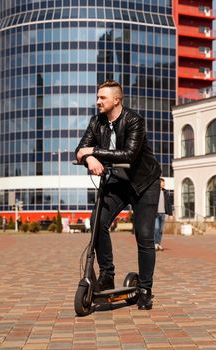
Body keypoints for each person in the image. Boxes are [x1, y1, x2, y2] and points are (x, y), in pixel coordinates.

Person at [75, 80, 161, 310]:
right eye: (97, 97)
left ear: (116, 100)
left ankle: (145, 289)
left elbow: (130, 154)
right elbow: (80, 150)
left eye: (102, 98)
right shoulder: (96, 122)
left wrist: (93, 151)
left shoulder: (134, 121)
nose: (97, 101)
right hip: (118, 181)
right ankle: (107, 274)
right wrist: (89, 158)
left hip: (144, 183)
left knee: (144, 236)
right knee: (97, 221)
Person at [154, 178, 173, 251]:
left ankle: (158, 244)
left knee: (161, 230)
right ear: (158, 183)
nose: (163, 184)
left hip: (163, 214)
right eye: (162, 183)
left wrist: (170, 214)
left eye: (164, 183)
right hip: (156, 214)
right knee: (156, 228)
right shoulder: (155, 192)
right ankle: (155, 244)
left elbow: (168, 203)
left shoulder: (165, 192)